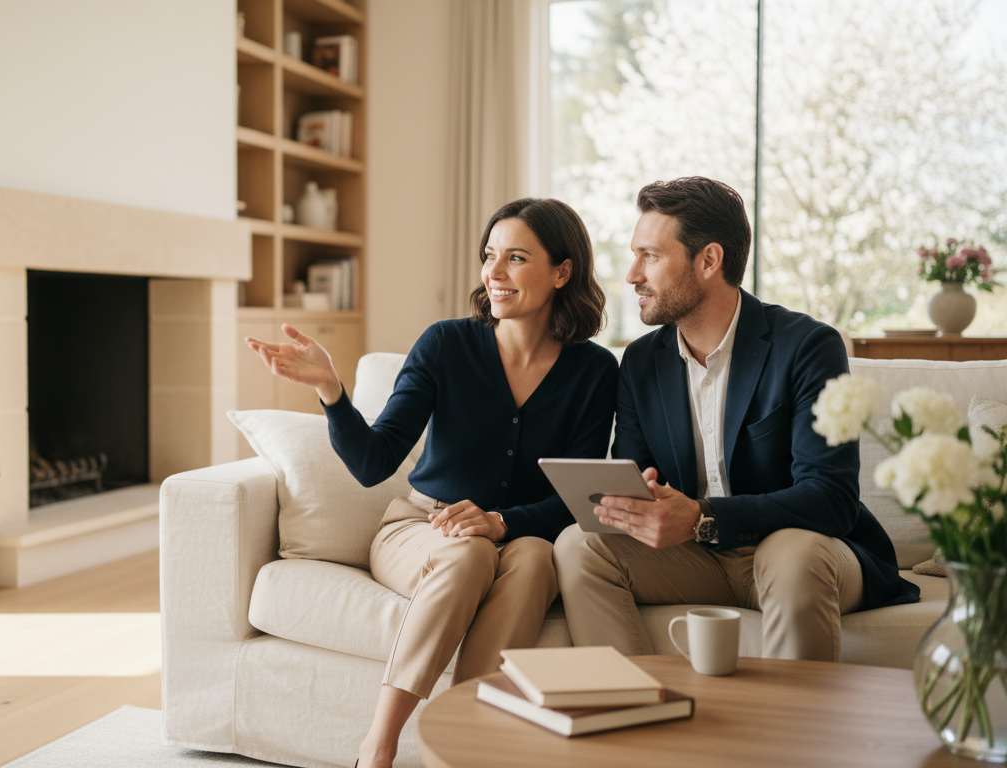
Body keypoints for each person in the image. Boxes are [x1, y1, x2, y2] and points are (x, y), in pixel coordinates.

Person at [246, 198, 617, 768]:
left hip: (516, 537)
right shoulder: (446, 345)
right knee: (468, 556)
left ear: (562, 271)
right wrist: (331, 392)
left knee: (537, 560)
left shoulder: (594, 372)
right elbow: (374, 461)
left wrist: (503, 522)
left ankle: (462, 747)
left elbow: (575, 498)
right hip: (420, 526)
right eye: (489, 256)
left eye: (516, 258)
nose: (493, 273)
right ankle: (380, 744)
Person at [554, 177, 919, 663]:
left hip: (799, 551)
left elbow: (831, 498)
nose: (631, 275)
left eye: (651, 256)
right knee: (579, 545)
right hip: (695, 559)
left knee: (794, 557)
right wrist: (640, 504)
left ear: (708, 260)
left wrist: (703, 518)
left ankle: (794, 737)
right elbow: (638, 478)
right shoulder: (641, 362)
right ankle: (631, 711)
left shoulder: (807, 346)